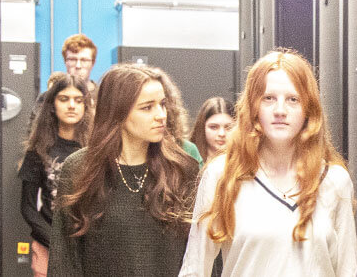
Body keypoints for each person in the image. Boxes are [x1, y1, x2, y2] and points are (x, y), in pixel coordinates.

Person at [181, 49, 357, 276]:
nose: (280, 110)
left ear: (308, 109)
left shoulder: (334, 180)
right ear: (254, 107)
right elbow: (194, 269)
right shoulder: (222, 174)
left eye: (293, 100)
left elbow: (348, 270)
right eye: (269, 98)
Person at [48, 63, 202, 276]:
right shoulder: (80, 169)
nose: (161, 115)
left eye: (163, 104)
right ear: (117, 112)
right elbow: (64, 259)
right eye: (147, 107)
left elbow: (202, 255)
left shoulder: (183, 169)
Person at [17, 75, 91, 277]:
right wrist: (57, 243)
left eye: (78, 100)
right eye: (64, 99)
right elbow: (28, 207)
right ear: (52, 105)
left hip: (88, 248)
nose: (71, 106)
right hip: (48, 244)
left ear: (86, 106)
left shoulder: (95, 149)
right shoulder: (39, 149)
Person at [189, 97, 235, 163]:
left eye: (229, 127)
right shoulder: (188, 158)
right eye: (214, 127)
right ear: (202, 128)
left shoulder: (245, 162)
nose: (222, 134)